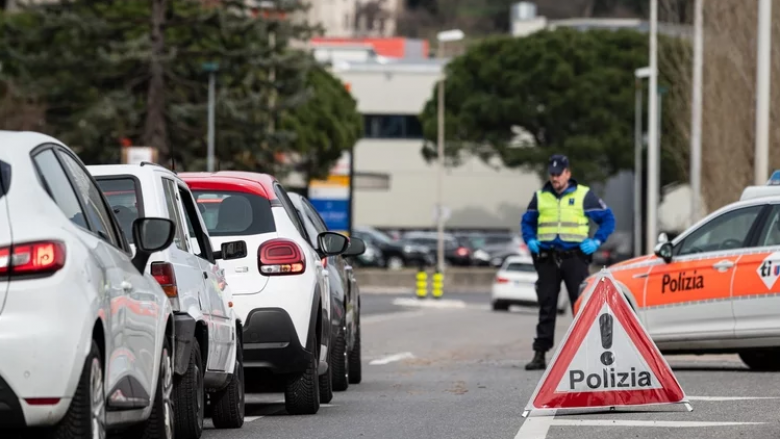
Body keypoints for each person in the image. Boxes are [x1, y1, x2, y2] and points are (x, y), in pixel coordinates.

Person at [520, 154, 615, 371]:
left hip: (574, 257)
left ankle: (590, 354)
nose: (555, 178)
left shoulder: (584, 195)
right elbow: (527, 222)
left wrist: (596, 241)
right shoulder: (540, 196)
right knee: (547, 305)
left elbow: (608, 219)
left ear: (568, 173)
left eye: (559, 174)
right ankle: (540, 353)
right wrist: (530, 239)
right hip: (547, 258)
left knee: (580, 305)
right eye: (552, 174)